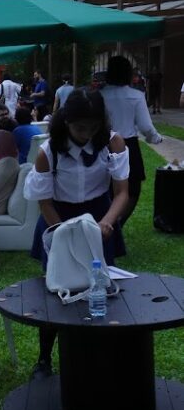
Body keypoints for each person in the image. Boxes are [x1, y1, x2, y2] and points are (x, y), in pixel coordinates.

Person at [24, 88, 129, 378]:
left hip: (99, 217)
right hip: (59, 216)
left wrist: (107, 222)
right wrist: (62, 235)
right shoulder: (48, 152)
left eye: (93, 127)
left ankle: (104, 355)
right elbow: (44, 202)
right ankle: (44, 359)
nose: (86, 133)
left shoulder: (112, 142)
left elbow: (122, 192)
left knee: (102, 288)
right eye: (80, 127)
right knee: (58, 288)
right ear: (66, 121)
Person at [100, 55, 163, 226]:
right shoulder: (136, 95)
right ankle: (116, 225)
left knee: (103, 188)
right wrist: (156, 139)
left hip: (102, 144)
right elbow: (146, 127)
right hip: (128, 146)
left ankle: (104, 223)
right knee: (132, 189)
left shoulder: (99, 95)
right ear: (128, 74)